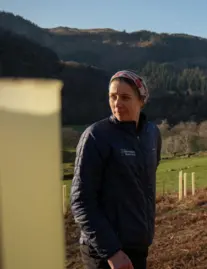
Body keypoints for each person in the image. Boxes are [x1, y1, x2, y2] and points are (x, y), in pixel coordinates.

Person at [70, 70, 162, 269]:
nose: (117, 104)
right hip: (104, 252)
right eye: (113, 97)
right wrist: (112, 252)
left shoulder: (152, 134)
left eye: (125, 97)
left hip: (138, 246)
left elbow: (144, 184)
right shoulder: (96, 137)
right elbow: (81, 201)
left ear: (142, 101)